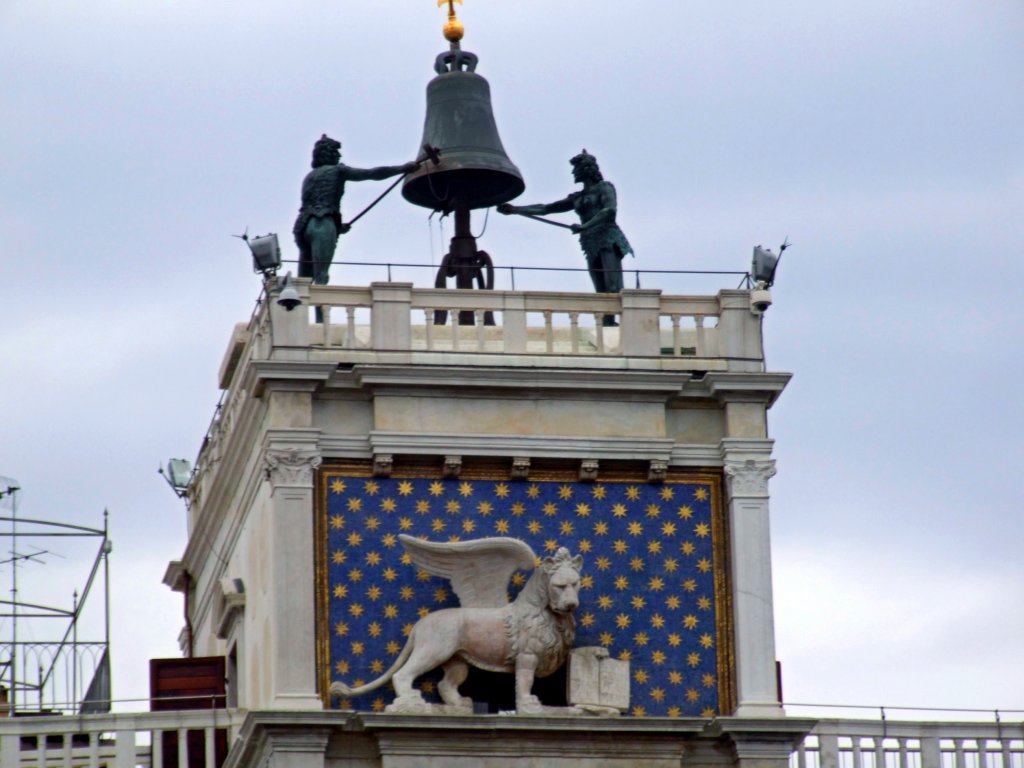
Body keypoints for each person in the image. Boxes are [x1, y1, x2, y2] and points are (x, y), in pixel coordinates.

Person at [498, 150, 633, 325]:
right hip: (590, 242)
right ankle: (607, 324)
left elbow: (609, 211)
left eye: (576, 169)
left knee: (613, 287)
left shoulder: (605, 188)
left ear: (586, 169)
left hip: (608, 238)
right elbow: (547, 208)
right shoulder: (577, 197)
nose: (573, 173)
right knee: (601, 291)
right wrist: (517, 209)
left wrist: (585, 226)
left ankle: (620, 323)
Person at [293, 134, 419, 284]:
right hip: (323, 222)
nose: (339, 155)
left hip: (302, 226)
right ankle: (321, 308)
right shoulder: (338, 171)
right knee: (321, 277)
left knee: (303, 282)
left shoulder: (309, 176)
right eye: (336, 152)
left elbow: (315, 203)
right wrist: (403, 168)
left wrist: (338, 227)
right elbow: (372, 173)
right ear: (330, 153)